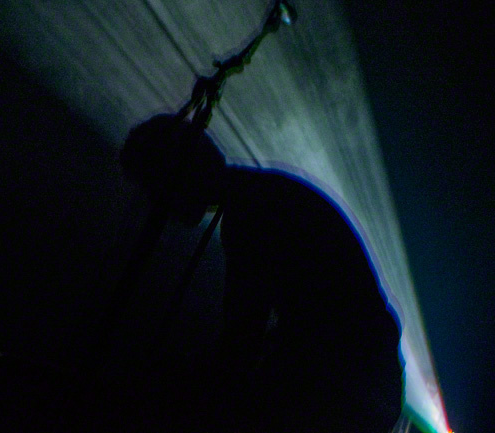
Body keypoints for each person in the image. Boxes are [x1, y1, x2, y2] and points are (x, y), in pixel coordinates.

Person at [120, 114, 404, 433]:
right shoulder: (260, 195)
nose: (157, 203)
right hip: (363, 381)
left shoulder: (251, 212)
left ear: (175, 172)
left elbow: (242, 340)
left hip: (350, 388)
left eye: (153, 186)